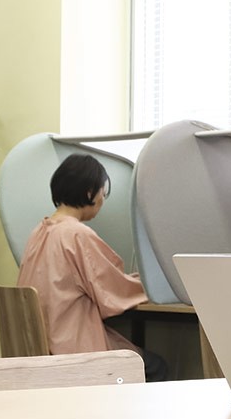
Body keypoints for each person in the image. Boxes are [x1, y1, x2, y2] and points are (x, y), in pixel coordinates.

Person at [17, 154, 169, 381]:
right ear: (90, 192)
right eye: (102, 193)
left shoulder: (39, 232)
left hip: (42, 348)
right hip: (73, 352)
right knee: (157, 367)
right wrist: (159, 285)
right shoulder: (76, 235)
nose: (102, 200)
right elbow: (113, 292)